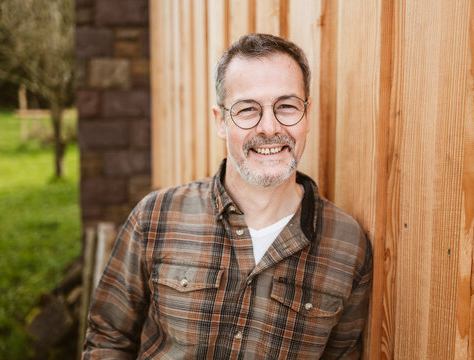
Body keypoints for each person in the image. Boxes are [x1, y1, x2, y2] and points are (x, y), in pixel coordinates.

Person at [82, 33, 373, 359]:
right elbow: (107, 340)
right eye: (247, 109)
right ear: (220, 121)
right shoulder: (156, 217)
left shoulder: (348, 246)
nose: (269, 127)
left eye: (287, 106)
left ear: (306, 116)